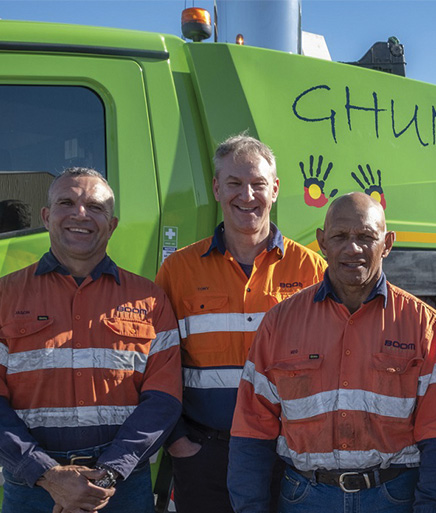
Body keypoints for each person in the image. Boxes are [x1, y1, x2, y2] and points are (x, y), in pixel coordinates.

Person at [228, 192, 436, 513]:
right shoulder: (280, 322)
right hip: (306, 497)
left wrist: (431, 506)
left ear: (387, 243)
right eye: (340, 236)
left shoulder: (423, 325)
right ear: (322, 241)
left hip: (393, 498)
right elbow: (253, 427)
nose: (352, 248)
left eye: (366, 237)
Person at [155, 134, 327, 513]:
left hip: (288, 455)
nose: (246, 195)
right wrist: (178, 441)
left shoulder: (312, 270)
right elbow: (157, 364)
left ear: (275, 189)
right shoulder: (178, 270)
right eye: (234, 183)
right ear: (217, 188)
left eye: (258, 184)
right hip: (205, 455)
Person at [0, 167, 182, 513]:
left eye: (96, 207)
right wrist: (47, 474)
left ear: (112, 225)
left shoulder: (151, 300)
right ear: (46, 216)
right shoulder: (4, 296)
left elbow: (164, 399)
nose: (80, 214)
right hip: (33, 489)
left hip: (120, 488)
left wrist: (109, 473)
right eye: (66, 202)